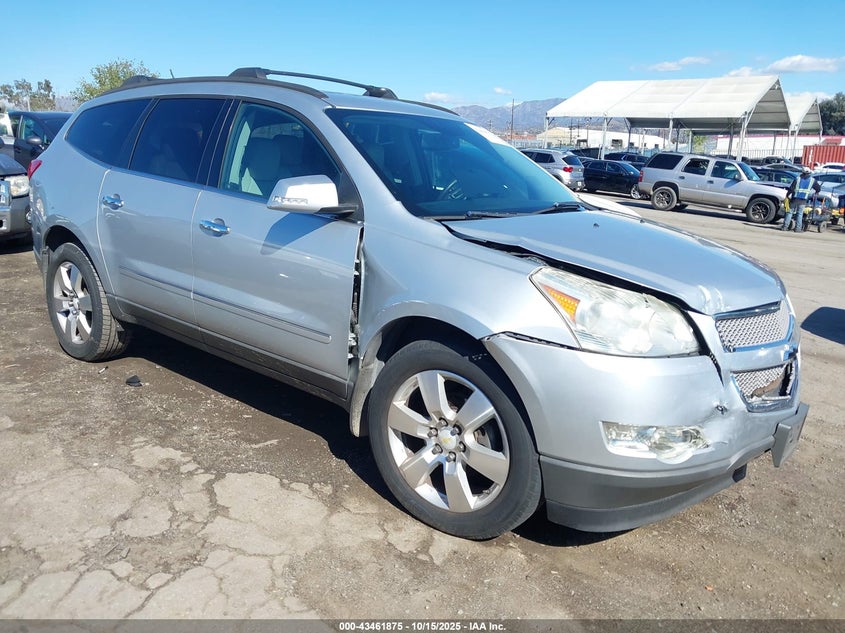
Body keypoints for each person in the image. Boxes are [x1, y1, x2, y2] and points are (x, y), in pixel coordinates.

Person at [782, 167, 821, 232]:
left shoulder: (797, 179)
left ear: (802, 172)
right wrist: (816, 192)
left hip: (794, 198)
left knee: (789, 212)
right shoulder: (812, 180)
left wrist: (787, 195)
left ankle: (785, 227)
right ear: (809, 172)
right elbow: (818, 188)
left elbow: (791, 188)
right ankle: (798, 229)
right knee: (800, 214)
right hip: (803, 199)